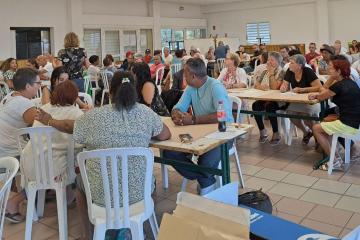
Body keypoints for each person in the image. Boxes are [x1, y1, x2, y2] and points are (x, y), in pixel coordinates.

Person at [35, 71, 171, 239]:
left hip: (101, 197)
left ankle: (89, 235)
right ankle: (137, 227)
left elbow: (71, 127)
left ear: (111, 92)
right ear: (134, 91)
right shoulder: (146, 113)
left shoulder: (93, 117)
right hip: (137, 196)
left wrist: (49, 120)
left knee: (80, 185)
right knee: (150, 179)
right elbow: (165, 135)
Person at [162, 58, 234, 195]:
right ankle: (206, 180)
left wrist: (194, 120)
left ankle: (205, 183)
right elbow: (179, 107)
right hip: (200, 133)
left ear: (193, 76)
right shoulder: (191, 88)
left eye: (185, 75)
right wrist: (176, 114)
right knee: (169, 153)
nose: (184, 77)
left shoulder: (215, 87)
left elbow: (222, 116)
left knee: (205, 161)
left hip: (224, 134)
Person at [20, 81, 83, 207]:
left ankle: (66, 196)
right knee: (80, 159)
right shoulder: (76, 113)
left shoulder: (43, 109)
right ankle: (70, 197)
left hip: (29, 167)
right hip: (53, 171)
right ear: (74, 96)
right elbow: (80, 143)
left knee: (61, 153)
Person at [0, 68, 40, 222]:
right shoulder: (23, 103)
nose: (39, 85)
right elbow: (40, 125)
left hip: (3, 148)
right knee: (48, 164)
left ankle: (39, 193)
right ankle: (13, 203)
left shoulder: (10, 96)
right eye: (37, 83)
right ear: (28, 86)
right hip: (11, 153)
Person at [311, 57, 360, 170]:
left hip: (349, 124)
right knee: (327, 120)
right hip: (356, 121)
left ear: (338, 71)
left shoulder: (338, 85)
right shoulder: (350, 82)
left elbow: (322, 95)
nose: (328, 69)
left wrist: (316, 96)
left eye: (331, 68)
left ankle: (334, 160)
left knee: (316, 128)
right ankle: (334, 155)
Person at [280, 54, 322, 145]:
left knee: (305, 115)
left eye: (292, 63)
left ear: (299, 65)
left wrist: (301, 90)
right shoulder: (290, 71)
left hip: (311, 101)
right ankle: (307, 132)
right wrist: (283, 87)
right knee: (290, 114)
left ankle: (317, 137)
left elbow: (319, 87)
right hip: (298, 101)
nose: (289, 64)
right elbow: (285, 84)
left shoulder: (307, 71)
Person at [253, 52, 286, 145]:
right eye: (268, 60)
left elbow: (275, 87)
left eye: (271, 60)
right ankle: (262, 131)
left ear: (278, 62)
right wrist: (261, 87)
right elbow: (256, 85)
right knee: (255, 106)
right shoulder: (264, 72)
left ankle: (276, 133)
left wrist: (271, 73)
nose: (268, 62)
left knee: (270, 107)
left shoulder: (282, 72)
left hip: (279, 100)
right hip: (266, 98)